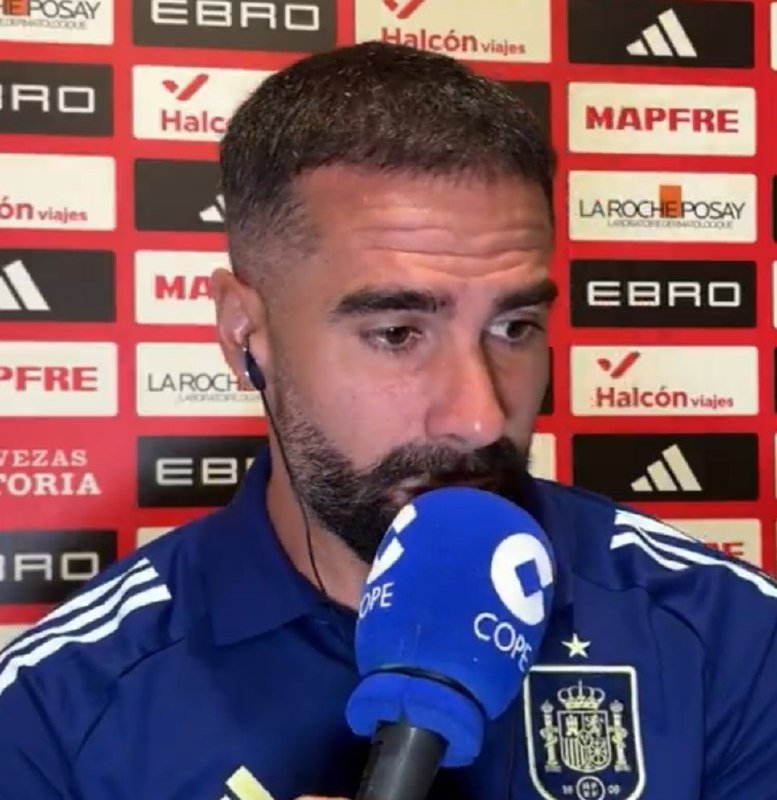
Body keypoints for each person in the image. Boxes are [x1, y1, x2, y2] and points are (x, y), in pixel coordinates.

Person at [0, 41, 775, 800]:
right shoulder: (53, 713)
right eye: (398, 333)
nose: (479, 418)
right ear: (244, 332)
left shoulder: (731, 641)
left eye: (513, 327)